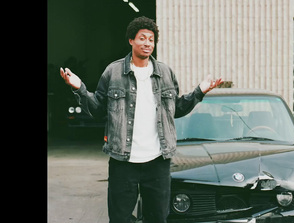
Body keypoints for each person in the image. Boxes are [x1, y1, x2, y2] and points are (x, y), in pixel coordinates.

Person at [60, 16, 222, 223]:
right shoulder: (113, 72)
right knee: (120, 218)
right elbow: (98, 109)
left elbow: (176, 109)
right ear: (131, 40)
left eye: (151, 39)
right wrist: (79, 88)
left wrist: (200, 91)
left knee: (158, 217)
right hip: (123, 161)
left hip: (158, 161)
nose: (147, 44)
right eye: (142, 38)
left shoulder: (165, 73)